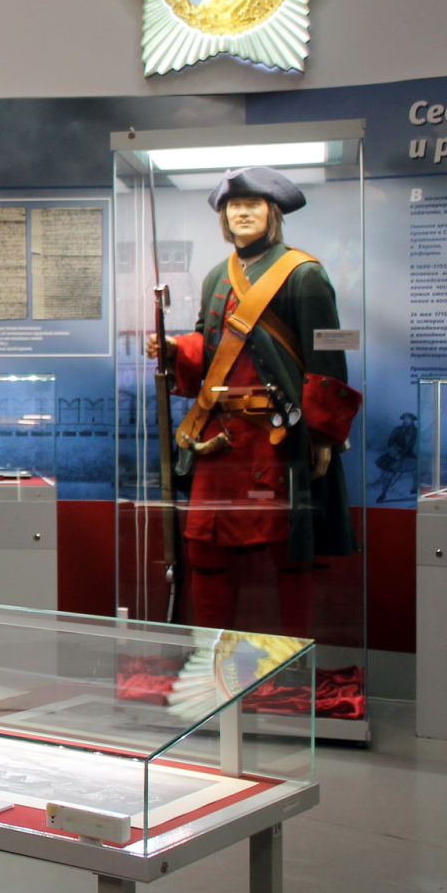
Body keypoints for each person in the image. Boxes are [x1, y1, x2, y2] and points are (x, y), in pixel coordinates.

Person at [146, 167, 362, 636]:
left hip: (279, 436)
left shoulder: (304, 274)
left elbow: (327, 356)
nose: (242, 213)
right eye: (234, 206)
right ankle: (213, 656)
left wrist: (323, 437)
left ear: (272, 213)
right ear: (224, 217)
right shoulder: (215, 277)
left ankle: (293, 656)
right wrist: (176, 349)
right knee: (204, 546)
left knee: (291, 548)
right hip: (220, 438)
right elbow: (209, 347)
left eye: (253, 204)